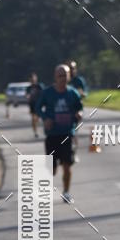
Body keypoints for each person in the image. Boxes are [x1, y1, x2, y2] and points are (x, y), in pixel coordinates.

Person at [36, 64, 83, 203]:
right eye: (60, 75)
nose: (62, 78)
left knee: (67, 165)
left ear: (68, 77)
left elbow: (79, 108)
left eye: (65, 75)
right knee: (52, 169)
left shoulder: (72, 93)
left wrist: (79, 114)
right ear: (55, 77)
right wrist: (45, 118)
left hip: (67, 133)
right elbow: (38, 107)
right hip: (52, 135)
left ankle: (66, 192)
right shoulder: (47, 93)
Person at [25, 73, 44, 138]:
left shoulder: (39, 86)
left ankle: (36, 128)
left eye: (34, 78)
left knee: (37, 119)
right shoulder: (28, 88)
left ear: (36, 79)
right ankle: (35, 132)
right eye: (31, 79)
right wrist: (28, 96)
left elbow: (43, 93)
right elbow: (27, 94)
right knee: (33, 118)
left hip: (38, 104)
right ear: (30, 80)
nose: (33, 80)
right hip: (32, 104)